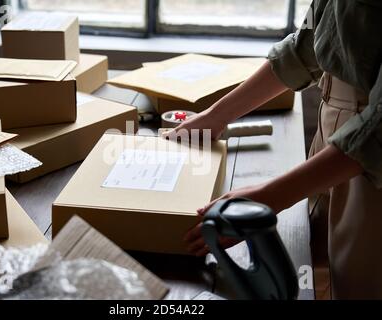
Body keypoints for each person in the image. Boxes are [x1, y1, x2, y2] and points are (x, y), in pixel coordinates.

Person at [164, 0, 382, 300]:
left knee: (358, 284)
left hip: (370, 161)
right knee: (322, 267)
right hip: (335, 139)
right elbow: (305, 46)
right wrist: (213, 117)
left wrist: (268, 196)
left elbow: (377, 129)